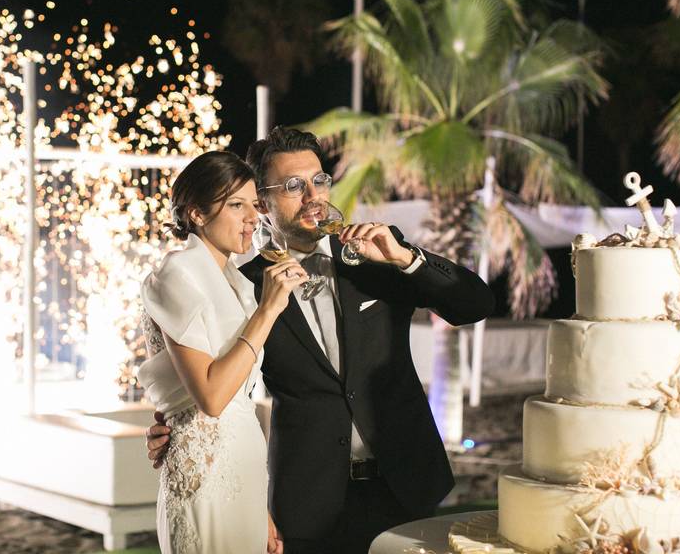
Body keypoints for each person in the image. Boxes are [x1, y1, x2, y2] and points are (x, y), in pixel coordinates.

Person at [146, 128, 495, 554]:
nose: (312, 194)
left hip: (405, 485)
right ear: (265, 203)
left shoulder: (377, 255)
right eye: (293, 186)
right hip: (307, 501)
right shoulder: (247, 285)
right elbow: (216, 371)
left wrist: (404, 259)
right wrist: (174, 423)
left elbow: (475, 304)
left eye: (319, 180)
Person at [138, 150, 307, 554]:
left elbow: (240, 400)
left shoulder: (238, 284)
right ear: (196, 213)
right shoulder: (177, 273)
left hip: (246, 467)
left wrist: (261, 507)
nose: (252, 217)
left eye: (254, 205)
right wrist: (269, 309)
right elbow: (213, 398)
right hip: (204, 477)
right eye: (236, 205)